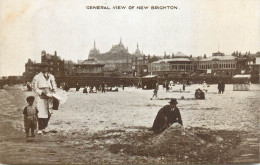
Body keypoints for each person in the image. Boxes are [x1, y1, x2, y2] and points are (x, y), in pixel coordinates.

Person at [31, 62, 57, 134]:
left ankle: (45, 127)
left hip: (50, 96)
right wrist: (41, 92)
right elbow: (33, 86)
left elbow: (54, 85)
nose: (44, 68)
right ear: (40, 68)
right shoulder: (37, 77)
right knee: (41, 112)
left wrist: (54, 92)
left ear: (47, 68)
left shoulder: (51, 76)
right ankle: (40, 128)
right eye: (42, 67)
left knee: (49, 111)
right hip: (41, 96)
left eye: (45, 67)